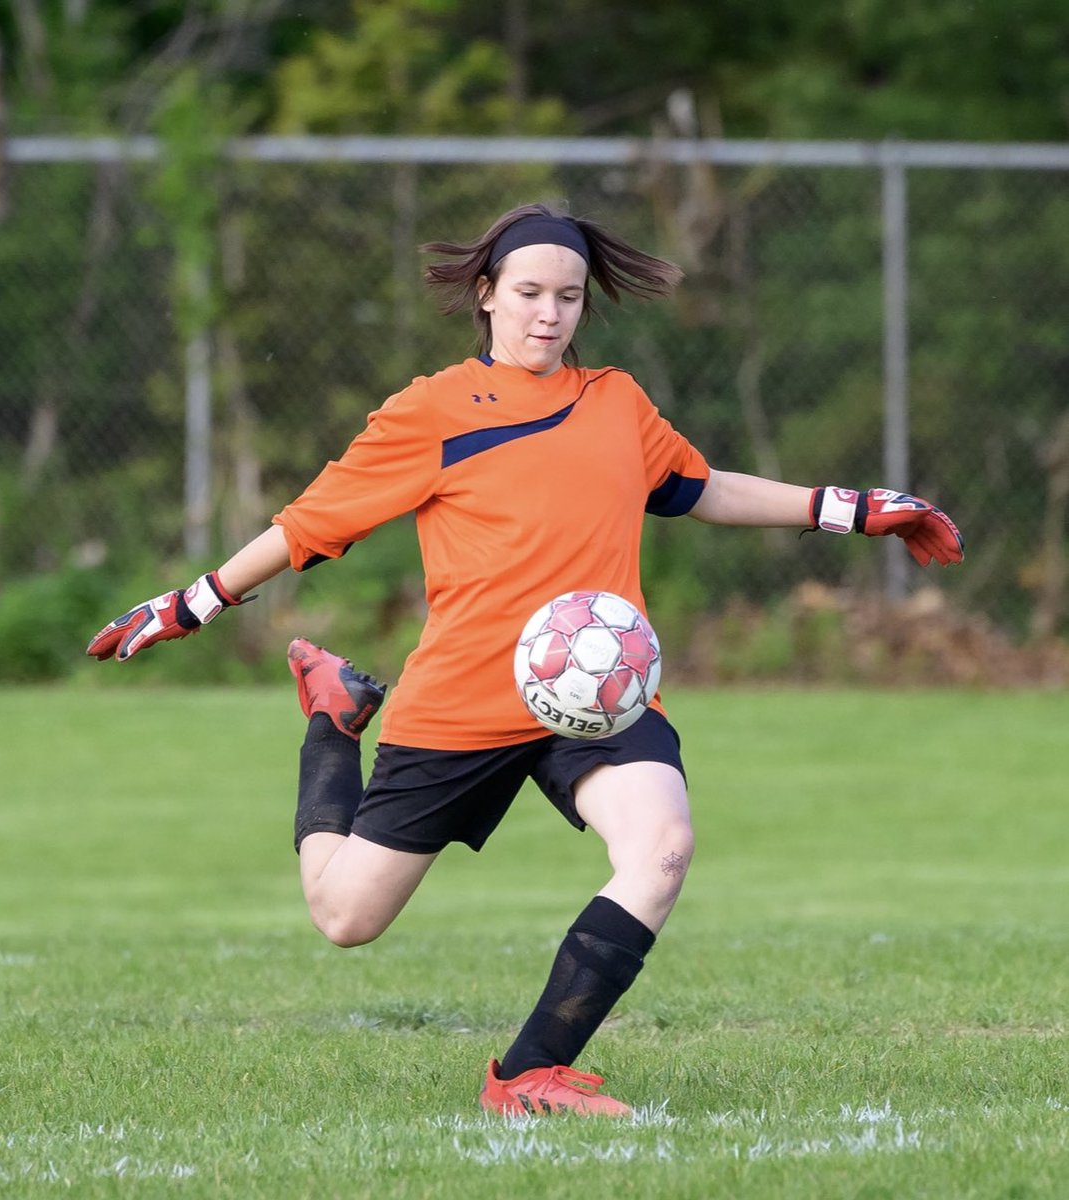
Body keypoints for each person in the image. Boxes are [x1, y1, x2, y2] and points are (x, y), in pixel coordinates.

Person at [87, 201, 964, 1117]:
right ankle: (332, 722)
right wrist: (191, 602)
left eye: (570, 297)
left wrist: (851, 508)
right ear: (487, 293)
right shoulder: (429, 411)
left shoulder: (616, 402)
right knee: (346, 919)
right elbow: (304, 527)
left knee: (662, 847)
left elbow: (702, 490)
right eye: (530, 292)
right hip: (461, 700)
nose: (550, 314)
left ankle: (528, 1073)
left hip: (599, 696)